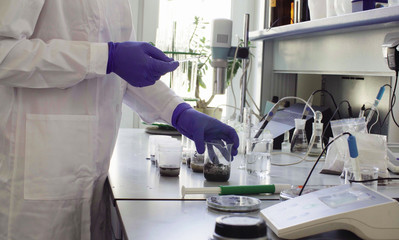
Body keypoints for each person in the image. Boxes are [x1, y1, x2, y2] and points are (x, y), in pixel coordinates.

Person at [0, 1, 239, 240]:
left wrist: (178, 111)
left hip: (91, 173)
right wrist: (107, 56)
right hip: (37, 171)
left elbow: (122, 72)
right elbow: (5, 52)